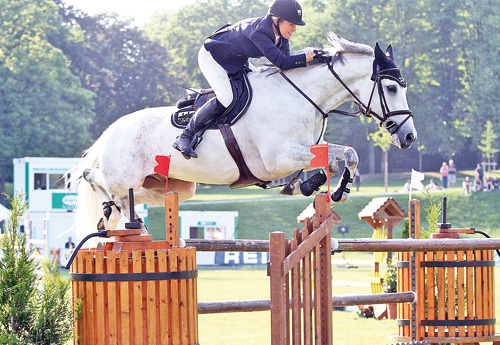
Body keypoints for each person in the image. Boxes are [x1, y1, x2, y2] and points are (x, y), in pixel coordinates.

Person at [172, 0, 316, 159]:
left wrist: (313, 60)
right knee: (227, 98)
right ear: (276, 20)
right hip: (213, 56)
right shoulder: (260, 31)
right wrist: (306, 57)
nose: (294, 29)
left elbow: (286, 63)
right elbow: (281, 62)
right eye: (291, 24)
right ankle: (185, 136)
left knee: (260, 86)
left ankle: (209, 97)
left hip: (235, 58)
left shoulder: (281, 34)